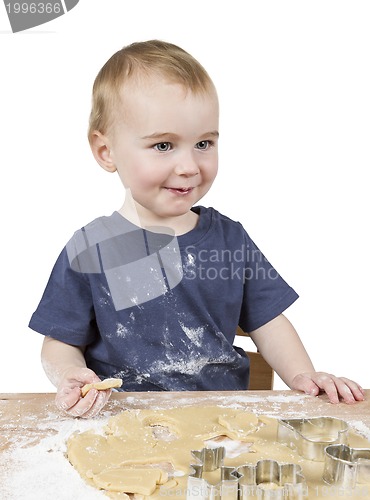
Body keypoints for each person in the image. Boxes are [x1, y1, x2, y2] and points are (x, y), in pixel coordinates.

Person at [29, 40, 364, 418]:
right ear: (106, 151)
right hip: (121, 423)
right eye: (163, 146)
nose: (189, 165)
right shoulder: (91, 248)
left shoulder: (230, 239)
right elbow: (58, 342)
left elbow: (268, 323)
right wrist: (71, 374)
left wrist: (304, 375)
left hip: (221, 423)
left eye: (203, 143)